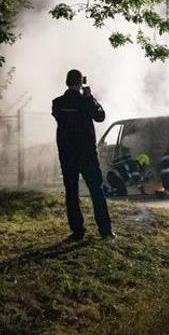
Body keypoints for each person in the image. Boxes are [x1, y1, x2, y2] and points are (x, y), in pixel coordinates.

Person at [52, 69, 113, 241]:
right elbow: (100, 116)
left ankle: (77, 230)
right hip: (87, 155)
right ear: (80, 82)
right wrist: (90, 97)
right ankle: (105, 231)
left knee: (72, 193)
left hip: (67, 155)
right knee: (96, 191)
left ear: (66, 82)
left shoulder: (57, 103)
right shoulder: (85, 101)